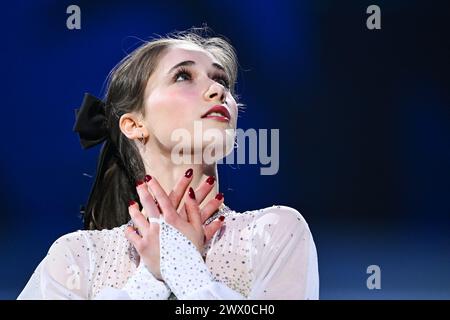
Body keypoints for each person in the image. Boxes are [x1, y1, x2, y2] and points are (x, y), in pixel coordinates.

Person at [17, 28, 319, 300]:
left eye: (221, 79)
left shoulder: (273, 233)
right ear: (134, 123)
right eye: (183, 76)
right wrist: (150, 280)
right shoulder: (78, 256)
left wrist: (185, 270)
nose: (218, 90)